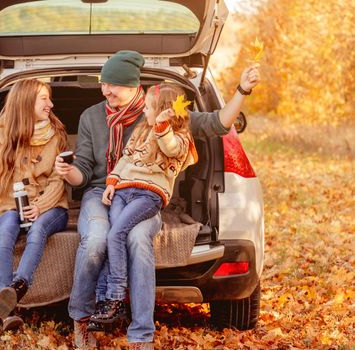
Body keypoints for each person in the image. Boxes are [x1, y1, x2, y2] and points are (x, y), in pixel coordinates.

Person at [55, 50, 260, 349]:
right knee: (96, 240)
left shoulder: (160, 110)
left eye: (112, 84)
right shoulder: (91, 116)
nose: (105, 90)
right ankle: (83, 321)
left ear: (132, 85)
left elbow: (217, 122)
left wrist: (242, 89)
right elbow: (84, 173)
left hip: (145, 194)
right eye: (103, 83)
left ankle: (141, 335)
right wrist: (69, 172)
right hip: (102, 192)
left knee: (138, 240)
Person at [89, 83, 198, 325]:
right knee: (111, 236)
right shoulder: (140, 130)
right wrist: (111, 182)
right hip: (122, 192)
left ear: (163, 110)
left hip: (147, 196)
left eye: (148, 107)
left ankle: (114, 297)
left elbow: (169, 147)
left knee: (117, 234)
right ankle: (106, 301)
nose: (144, 112)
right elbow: (125, 159)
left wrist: (162, 125)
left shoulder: (179, 138)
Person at [0, 79, 69, 331]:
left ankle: (20, 285)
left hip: (52, 209)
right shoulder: (1, 134)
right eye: (44, 99)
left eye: (49, 98)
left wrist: (40, 206)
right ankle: (7, 307)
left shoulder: (56, 135)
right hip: (11, 206)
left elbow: (58, 179)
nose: (50, 104)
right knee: (4, 233)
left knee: (38, 230)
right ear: (26, 101)